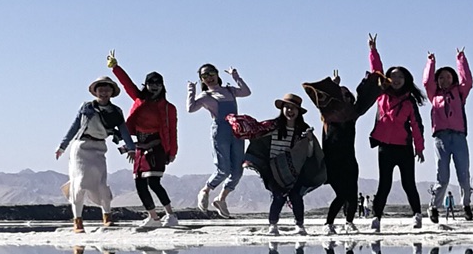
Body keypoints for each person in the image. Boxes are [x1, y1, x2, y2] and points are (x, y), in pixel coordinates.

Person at [107, 53, 180, 228]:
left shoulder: (169, 108)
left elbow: (172, 131)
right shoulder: (140, 100)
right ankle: (153, 217)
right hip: (139, 145)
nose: (154, 87)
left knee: (153, 182)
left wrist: (172, 152)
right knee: (139, 183)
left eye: (157, 83)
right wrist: (115, 67)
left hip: (157, 146)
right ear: (146, 85)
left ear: (162, 86)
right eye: (151, 83)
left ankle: (170, 214)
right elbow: (127, 85)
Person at [304, 70, 380, 235]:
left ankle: (349, 222)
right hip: (332, 161)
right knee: (342, 194)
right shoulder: (328, 116)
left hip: (349, 160)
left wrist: (368, 79)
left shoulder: (352, 115)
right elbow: (321, 100)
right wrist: (334, 86)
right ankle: (329, 223)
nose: (344, 97)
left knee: (352, 194)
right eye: (341, 95)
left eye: (346, 95)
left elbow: (366, 96)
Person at [366, 36, 426, 230]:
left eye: (401, 77)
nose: (397, 80)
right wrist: (373, 51)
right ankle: (376, 218)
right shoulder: (382, 95)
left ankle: (417, 215)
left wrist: (420, 148)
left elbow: (417, 125)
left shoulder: (409, 102)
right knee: (384, 184)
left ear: (406, 80)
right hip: (385, 147)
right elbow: (377, 72)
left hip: (404, 148)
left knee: (409, 183)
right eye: (393, 77)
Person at [56, 77, 129, 232]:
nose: (103, 93)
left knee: (101, 183)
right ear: (95, 91)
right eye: (100, 89)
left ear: (111, 92)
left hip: (99, 148)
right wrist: (63, 146)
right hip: (81, 148)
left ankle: (107, 216)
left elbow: (124, 132)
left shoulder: (116, 112)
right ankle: (78, 220)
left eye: (107, 90)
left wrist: (131, 149)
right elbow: (75, 126)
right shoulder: (86, 107)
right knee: (79, 183)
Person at [245, 94, 325, 234]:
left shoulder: (303, 130)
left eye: (294, 108)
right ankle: (273, 226)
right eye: (287, 107)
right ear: (282, 109)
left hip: (295, 172)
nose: (290, 110)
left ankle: (300, 226)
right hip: (273, 170)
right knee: (278, 196)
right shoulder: (272, 126)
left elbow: (310, 153)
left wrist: (310, 141)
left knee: (296, 196)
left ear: (299, 112)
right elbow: (258, 137)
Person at [187, 64, 252, 216]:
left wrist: (235, 76)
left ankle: (221, 199)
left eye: (211, 74)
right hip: (220, 131)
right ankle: (205, 190)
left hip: (236, 131)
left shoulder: (229, 90)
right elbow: (190, 108)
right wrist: (191, 90)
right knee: (223, 169)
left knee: (237, 171)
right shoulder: (205, 96)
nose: (209, 78)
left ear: (217, 74)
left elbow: (246, 92)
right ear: (201, 79)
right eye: (204, 76)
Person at [425, 48, 473, 221]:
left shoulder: (459, 93)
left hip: (459, 137)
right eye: (441, 77)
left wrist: (460, 59)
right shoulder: (434, 95)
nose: (445, 80)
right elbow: (426, 82)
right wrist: (431, 63)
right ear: (437, 81)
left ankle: (466, 205)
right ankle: (434, 207)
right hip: (441, 138)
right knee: (443, 176)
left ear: (453, 78)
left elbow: (468, 81)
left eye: (448, 77)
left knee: (464, 174)